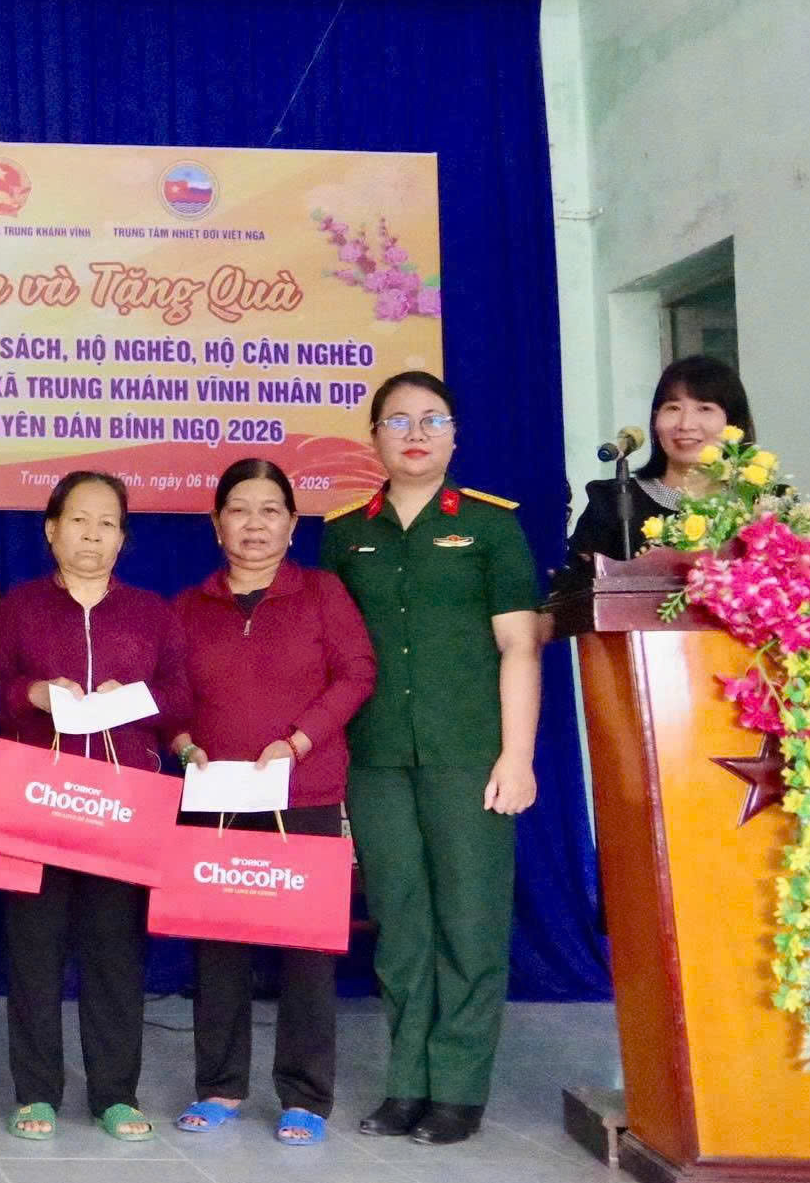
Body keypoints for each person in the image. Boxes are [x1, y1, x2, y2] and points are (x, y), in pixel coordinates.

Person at [320, 370, 540, 1146]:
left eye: (431, 419)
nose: (414, 433)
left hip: (468, 753)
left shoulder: (490, 527)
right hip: (376, 757)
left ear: (454, 434)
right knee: (402, 924)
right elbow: (329, 656)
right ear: (373, 437)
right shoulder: (344, 533)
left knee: (470, 922)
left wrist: (518, 755)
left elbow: (519, 646)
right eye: (397, 420)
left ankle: (457, 1088)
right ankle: (405, 1082)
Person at [168, 458, 376, 1147]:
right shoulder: (187, 607)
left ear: (291, 523)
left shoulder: (321, 593)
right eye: (238, 509)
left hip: (303, 790)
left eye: (269, 510)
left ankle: (305, 1095)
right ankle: (219, 1085)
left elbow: (357, 673)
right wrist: (182, 741)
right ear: (215, 524)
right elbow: (167, 695)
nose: (253, 525)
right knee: (218, 949)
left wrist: (299, 741)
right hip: (216, 796)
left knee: (306, 952)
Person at [0, 470, 190, 1145]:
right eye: (78, 520)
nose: (92, 535)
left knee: (114, 954)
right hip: (37, 801)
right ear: (51, 529)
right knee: (33, 952)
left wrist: (131, 698)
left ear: (123, 538)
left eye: (107, 523)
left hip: (120, 807)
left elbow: (180, 696)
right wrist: (34, 692)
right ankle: (36, 1092)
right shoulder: (20, 607)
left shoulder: (151, 613)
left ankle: (114, 1093)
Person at [550, 354, 754, 603]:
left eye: (704, 408)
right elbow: (572, 595)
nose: (685, 424)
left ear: (734, 423)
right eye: (673, 408)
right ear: (656, 420)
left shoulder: (763, 504)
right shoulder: (613, 503)